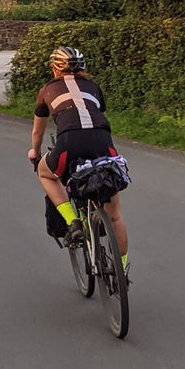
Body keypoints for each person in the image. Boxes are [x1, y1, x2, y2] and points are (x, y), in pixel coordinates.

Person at [27, 45, 129, 272]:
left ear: (55, 69)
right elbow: (101, 118)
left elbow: (38, 133)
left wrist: (35, 153)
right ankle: (121, 270)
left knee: (45, 173)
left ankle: (72, 220)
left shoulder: (46, 91)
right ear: (83, 68)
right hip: (103, 143)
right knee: (116, 217)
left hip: (68, 144)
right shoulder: (93, 87)